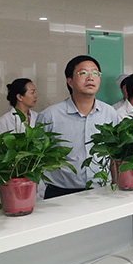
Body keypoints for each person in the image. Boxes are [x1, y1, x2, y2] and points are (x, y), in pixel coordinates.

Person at [37, 55, 118, 199]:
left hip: (102, 190)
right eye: (83, 73)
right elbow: (36, 157)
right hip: (60, 193)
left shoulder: (109, 112)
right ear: (70, 82)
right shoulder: (50, 115)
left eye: (95, 73)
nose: (90, 77)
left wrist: (116, 185)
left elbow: (114, 154)